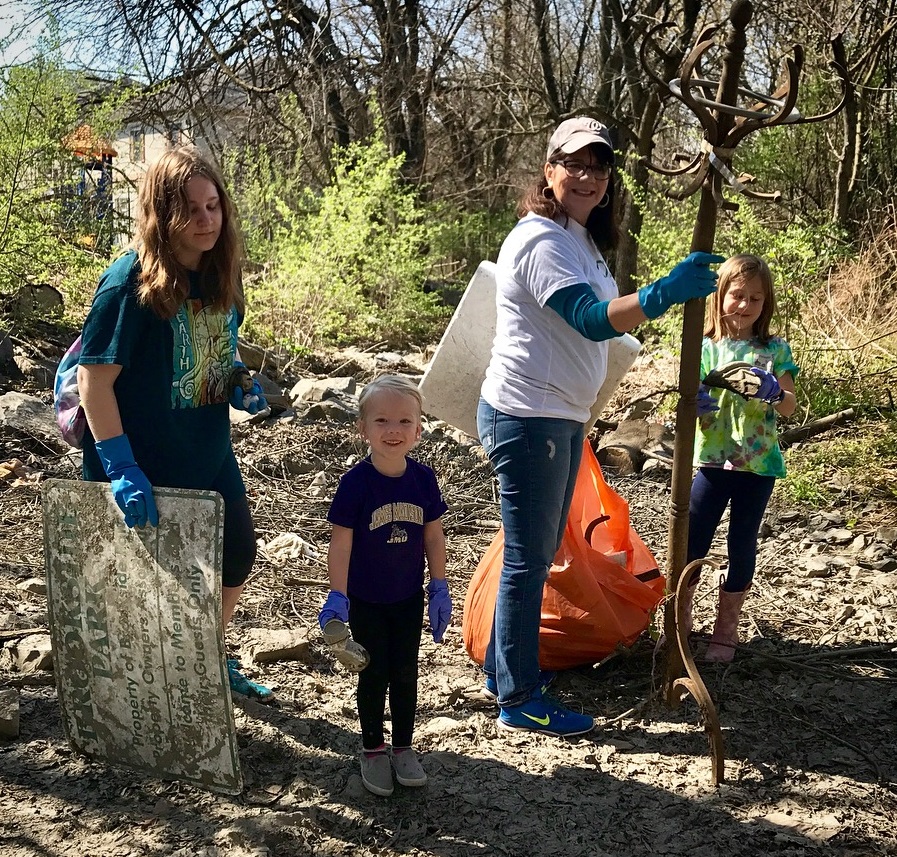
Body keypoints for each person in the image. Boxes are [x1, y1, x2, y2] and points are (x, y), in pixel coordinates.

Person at [477, 115, 724, 736]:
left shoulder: (578, 241)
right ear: (549, 169)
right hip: (528, 415)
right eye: (575, 164)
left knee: (531, 553)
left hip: (556, 413)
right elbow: (589, 319)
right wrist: (665, 292)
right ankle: (518, 697)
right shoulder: (539, 241)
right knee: (530, 561)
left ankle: (507, 672)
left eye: (600, 167)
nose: (588, 177)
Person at [76, 145, 272, 700]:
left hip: (207, 449)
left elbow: (210, 352)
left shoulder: (220, 274)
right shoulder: (127, 286)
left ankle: (202, 654)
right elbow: (95, 382)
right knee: (148, 583)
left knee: (236, 551)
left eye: (214, 206)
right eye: (191, 208)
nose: (207, 219)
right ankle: (146, 684)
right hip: (143, 460)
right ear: (161, 213)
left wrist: (236, 380)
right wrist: (119, 466)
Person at [319, 374, 451, 797]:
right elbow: (341, 543)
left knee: (406, 673)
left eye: (403, 421)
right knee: (373, 673)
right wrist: (337, 596)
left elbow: (433, 536)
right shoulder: (355, 483)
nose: (393, 431)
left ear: (418, 428)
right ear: (363, 428)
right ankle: (372, 748)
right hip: (366, 598)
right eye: (381, 421)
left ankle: (403, 746)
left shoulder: (423, 480)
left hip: (408, 597)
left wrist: (440, 586)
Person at [686, 254, 798, 661]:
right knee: (692, 541)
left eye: (755, 298)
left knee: (742, 543)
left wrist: (774, 392)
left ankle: (724, 634)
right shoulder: (704, 347)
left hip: (758, 466)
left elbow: (790, 408)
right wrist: (693, 403)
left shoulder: (775, 349)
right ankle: (678, 625)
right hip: (712, 462)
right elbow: (683, 403)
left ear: (765, 304)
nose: (744, 305)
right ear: (721, 295)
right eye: (737, 295)